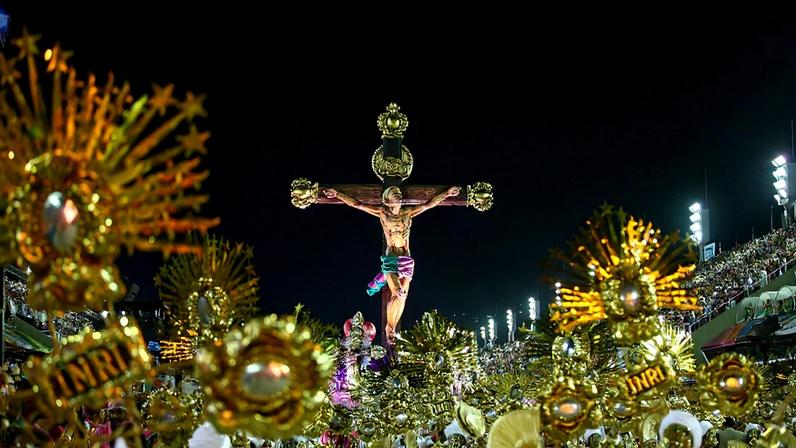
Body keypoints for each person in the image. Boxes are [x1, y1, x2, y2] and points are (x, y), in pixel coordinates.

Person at [323, 185, 461, 342]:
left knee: (403, 297)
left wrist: (447, 193)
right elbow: (357, 204)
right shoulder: (383, 213)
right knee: (398, 292)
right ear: (387, 200)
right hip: (391, 258)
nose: (399, 195)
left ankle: (391, 326)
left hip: (406, 258)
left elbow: (429, 203)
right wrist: (337, 194)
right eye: (395, 194)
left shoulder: (408, 213)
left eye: (399, 193)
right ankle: (390, 327)